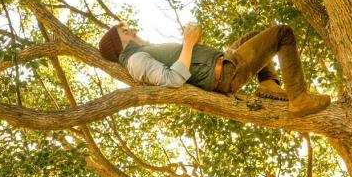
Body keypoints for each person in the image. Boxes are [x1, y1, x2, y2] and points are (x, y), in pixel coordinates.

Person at [97, 22, 331, 117]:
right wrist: (188, 43)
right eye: (126, 32)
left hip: (223, 64)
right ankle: (299, 98)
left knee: (253, 37)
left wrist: (193, 43)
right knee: (283, 33)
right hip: (225, 74)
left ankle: (268, 83)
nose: (132, 31)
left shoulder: (142, 52)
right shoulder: (136, 60)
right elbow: (172, 79)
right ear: (121, 44)